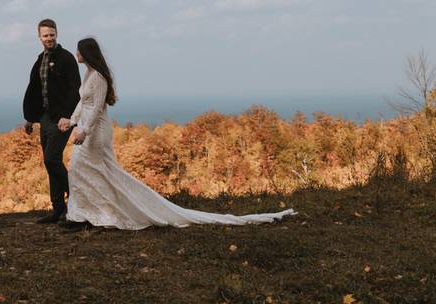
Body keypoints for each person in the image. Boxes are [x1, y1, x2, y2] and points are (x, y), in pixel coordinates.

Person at [58, 37, 296, 230]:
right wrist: (71, 122)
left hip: (96, 132)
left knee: (84, 168)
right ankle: (86, 214)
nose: (76, 54)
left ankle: (92, 215)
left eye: (79, 51)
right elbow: (83, 103)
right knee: (87, 170)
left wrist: (84, 131)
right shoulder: (89, 74)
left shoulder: (98, 78)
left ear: (86, 53)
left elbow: (97, 107)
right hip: (85, 129)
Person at [22, 18, 82, 224]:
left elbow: (76, 90)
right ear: (39, 37)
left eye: (52, 34)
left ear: (57, 34)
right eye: (45, 35)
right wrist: (30, 118)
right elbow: (33, 90)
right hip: (44, 117)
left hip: (62, 118)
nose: (49, 38)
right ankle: (58, 209)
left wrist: (68, 116)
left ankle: (77, 201)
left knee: (52, 159)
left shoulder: (66, 58)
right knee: (50, 163)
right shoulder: (40, 60)